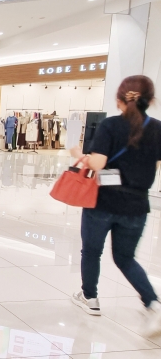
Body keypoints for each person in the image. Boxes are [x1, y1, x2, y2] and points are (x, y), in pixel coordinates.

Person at [70, 75, 161, 337]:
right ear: (150, 100)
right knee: (125, 257)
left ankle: (91, 298)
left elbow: (97, 164)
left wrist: (79, 155)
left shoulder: (110, 125)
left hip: (103, 200)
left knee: (92, 251)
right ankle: (152, 303)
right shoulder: (157, 128)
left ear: (119, 100)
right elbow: (154, 165)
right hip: (136, 204)